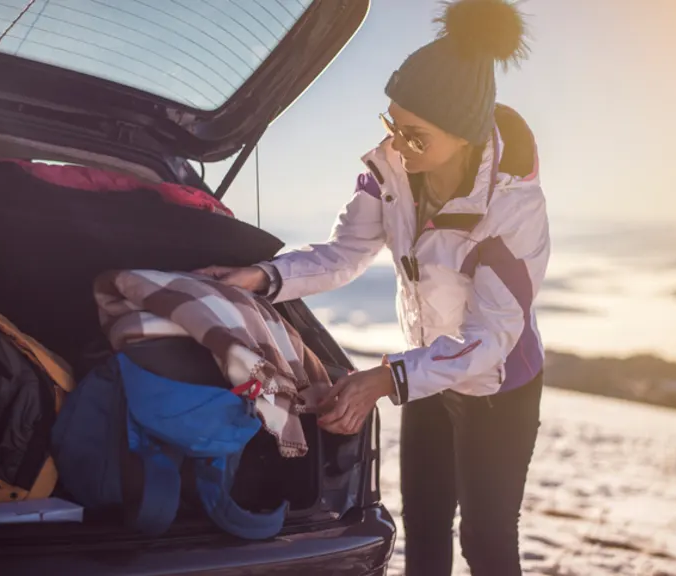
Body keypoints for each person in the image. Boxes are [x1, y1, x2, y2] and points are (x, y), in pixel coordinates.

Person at [199, 0, 549, 573]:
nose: (398, 146)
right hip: (426, 372)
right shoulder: (393, 170)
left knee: (485, 541)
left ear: (463, 134)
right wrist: (264, 276)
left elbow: (490, 338)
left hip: (497, 387)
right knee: (425, 524)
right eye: (392, 125)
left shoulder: (512, 210)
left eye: (416, 136)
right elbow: (345, 252)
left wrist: (387, 379)